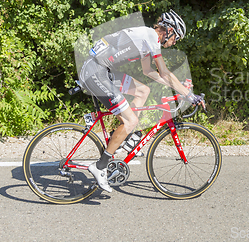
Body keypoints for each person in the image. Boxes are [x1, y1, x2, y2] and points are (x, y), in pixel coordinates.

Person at [79, 10, 205, 192]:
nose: (175, 42)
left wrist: (179, 90)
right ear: (168, 30)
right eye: (176, 37)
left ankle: (124, 135)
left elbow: (149, 72)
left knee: (143, 90)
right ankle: (100, 167)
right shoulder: (151, 38)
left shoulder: (147, 38)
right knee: (132, 120)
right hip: (95, 72)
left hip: (101, 70)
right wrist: (189, 95)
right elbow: (164, 72)